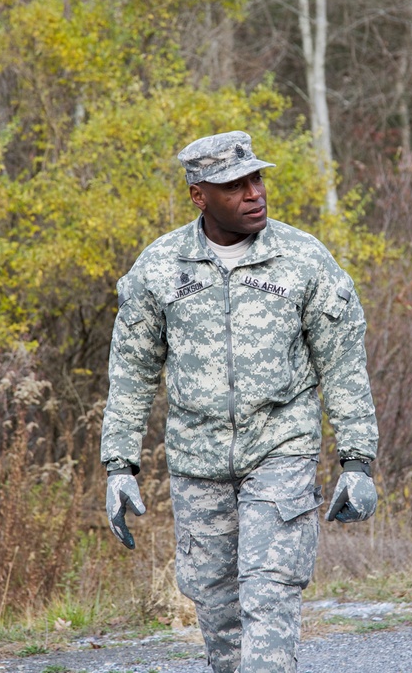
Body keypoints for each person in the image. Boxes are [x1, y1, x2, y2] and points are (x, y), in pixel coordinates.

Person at [101, 130, 379, 673]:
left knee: (269, 597)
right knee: (218, 612)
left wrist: (358, 460)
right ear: (199, 196)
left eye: (257, 178)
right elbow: (131, 372)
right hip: (196, 463)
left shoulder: (302, 260)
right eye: (235, 185)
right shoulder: (160, 268)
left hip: (281, 451)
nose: (255, 193)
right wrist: (119, 465)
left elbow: (343, 361)